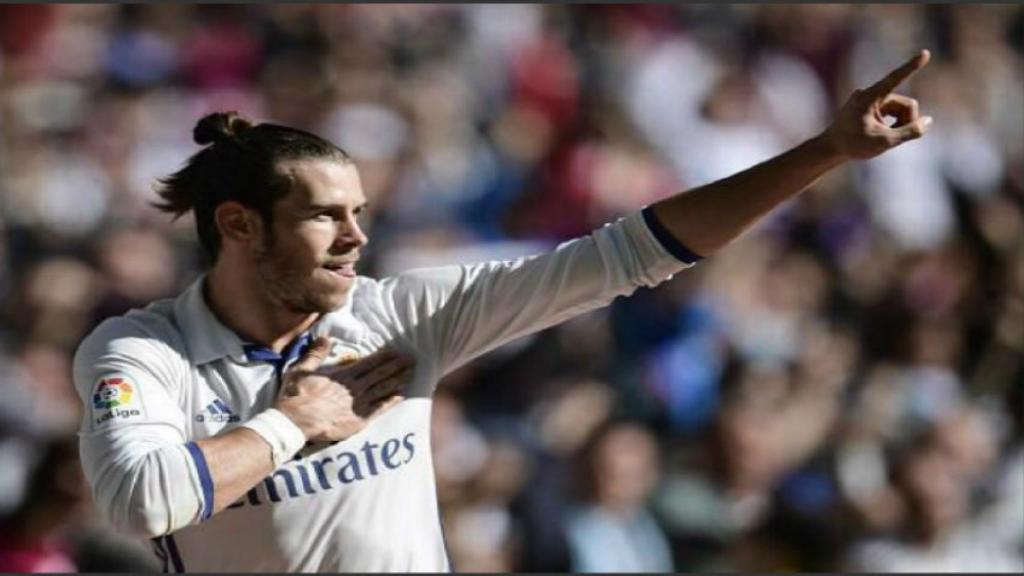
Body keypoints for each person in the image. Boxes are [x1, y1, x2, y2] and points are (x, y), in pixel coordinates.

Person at [73, 50, 935, 572]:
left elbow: (631, 255)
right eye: (325, 217)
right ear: (238, 225)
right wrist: (296, 422)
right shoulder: (144, 354)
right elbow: (142, 502)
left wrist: (824, 152)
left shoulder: (402, 316)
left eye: (360, 213)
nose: (357, 237)